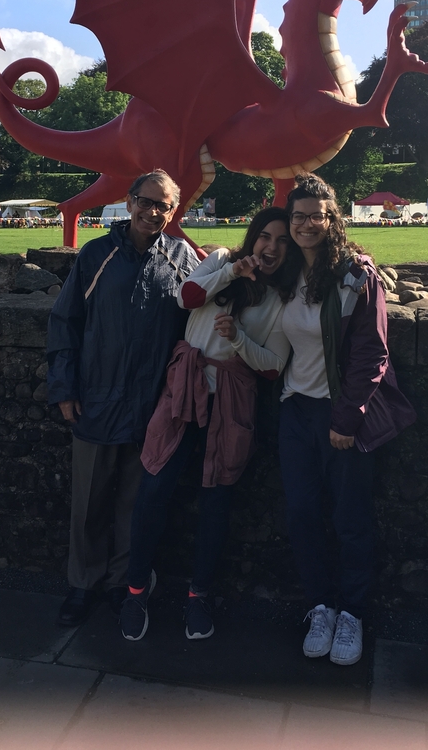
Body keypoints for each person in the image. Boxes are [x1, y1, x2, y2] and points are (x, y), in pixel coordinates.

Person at [120, 207, 299, 642]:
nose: (271, 247)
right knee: (153, 489)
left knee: (216, 501)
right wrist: (230, 273)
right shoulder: (219, 258)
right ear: (252, 237)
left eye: (281, 241)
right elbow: (187, 298)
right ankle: (137, 587)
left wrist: (238, 339)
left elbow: (274, 368)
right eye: (265, 237)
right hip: (184, 390)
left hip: (231, 401)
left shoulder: (280, 298)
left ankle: (199, 594)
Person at [47, 170, 200, 627]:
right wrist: (64, 386)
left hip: (153, 404)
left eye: (165, 205)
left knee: (137, 504)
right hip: (96, 396)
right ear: (129, 202)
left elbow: (204, 319)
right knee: (89, 501)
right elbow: (66, 322)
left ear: (174, 210)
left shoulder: (182, 258)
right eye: (147, 202)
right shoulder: (97, 254)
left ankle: (122, 583)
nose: (155, 212)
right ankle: (82, 584)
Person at [279, 173, 415, 666]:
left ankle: (351, 613)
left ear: (333, 219)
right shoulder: (286, 271)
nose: (307, 224)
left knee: (351, 518)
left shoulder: (357, 274)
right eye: (299, 216)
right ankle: (321, 606)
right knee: (301, 514)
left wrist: (347, 417)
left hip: (339, 415)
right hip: (294, 410)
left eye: (317, 215)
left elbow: (371, 353)